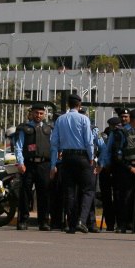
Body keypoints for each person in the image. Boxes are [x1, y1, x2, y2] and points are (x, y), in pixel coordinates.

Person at [49, 93, 95, 234]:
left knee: (69, 191)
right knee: (87, 190)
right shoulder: (84, 119)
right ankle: (82, 220)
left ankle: (72, 223)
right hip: (82, 157)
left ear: (68, 104)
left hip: (66, 158)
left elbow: (54, 143)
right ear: (79, 104)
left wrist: (53, 164)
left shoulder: (60, 120)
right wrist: (91, 157)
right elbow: (88, 140)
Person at [14, 104, 53, 231]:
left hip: (44, 165)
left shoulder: (49, 129)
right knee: (25, 193)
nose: (38, 116)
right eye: (36, 113)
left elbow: (53, 147)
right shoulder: (24, 128)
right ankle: (23, 220)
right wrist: (20, 163)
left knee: (44, 193)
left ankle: (44, 222)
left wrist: (53, 165)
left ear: (44, 114)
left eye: (41, 113)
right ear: (32, 113)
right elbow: (18, 147)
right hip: (28, 164)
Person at [98, 116, 121, 231]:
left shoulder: (121, 135)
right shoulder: (103, 135)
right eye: (112, 126)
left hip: (116, 168)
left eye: (116, 126)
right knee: (106, 198)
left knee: (117, 197)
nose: (114, 128)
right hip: (104, 169)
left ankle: (118, 221)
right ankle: (110, 223)